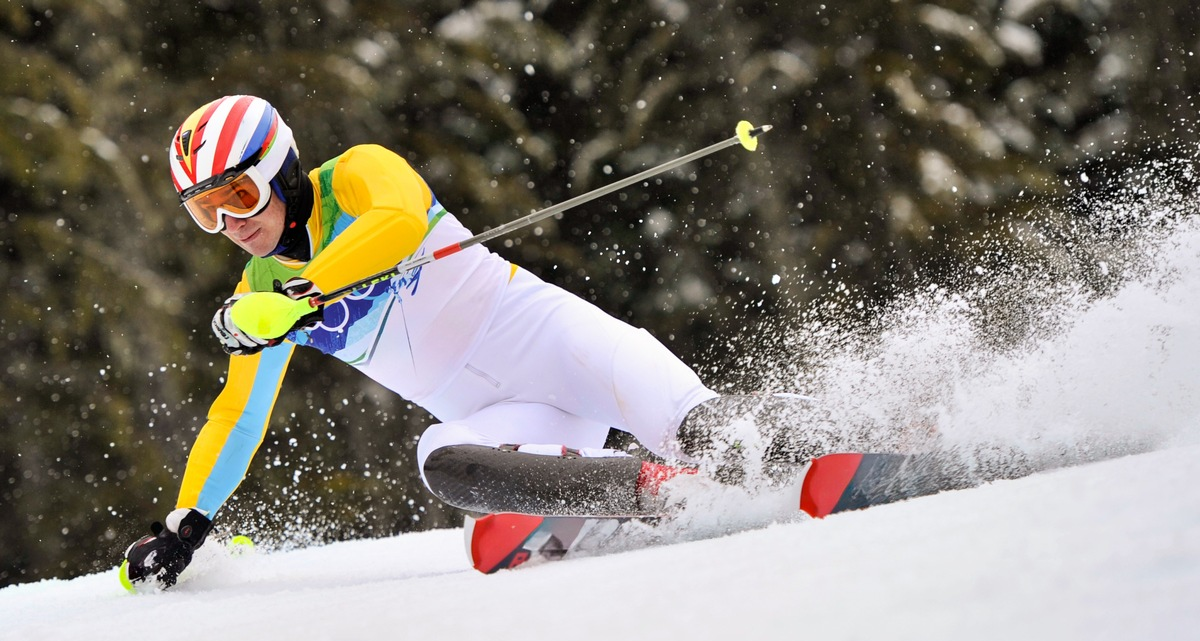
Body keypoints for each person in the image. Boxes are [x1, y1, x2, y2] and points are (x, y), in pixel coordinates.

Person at [121, 95, 819, 589]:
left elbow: (396, 221)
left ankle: (850, 428)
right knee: (439, 456)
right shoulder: (258, 292)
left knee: (700, 424)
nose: (230, 224)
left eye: (238, 196)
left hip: (560, 346)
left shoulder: (359, 175)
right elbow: (237, 415)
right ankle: (645, 492)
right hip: (516, 423)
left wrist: (303, 296)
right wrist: (187, 525)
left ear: (280, 167)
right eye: (205, 212)